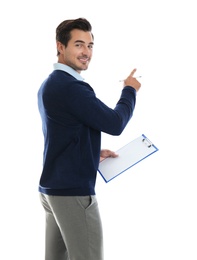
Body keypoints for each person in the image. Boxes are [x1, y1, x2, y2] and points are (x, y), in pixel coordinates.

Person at [37, 17, 141, 260]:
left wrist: (91, 151)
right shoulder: (71, 87)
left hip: (52, 191)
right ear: (60, 46)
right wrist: (129, 91)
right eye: (79, 44)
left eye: (90, 45)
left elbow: (62, 133)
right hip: (73, 194)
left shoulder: (49, 84)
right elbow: (115, 123)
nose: (86, 52)